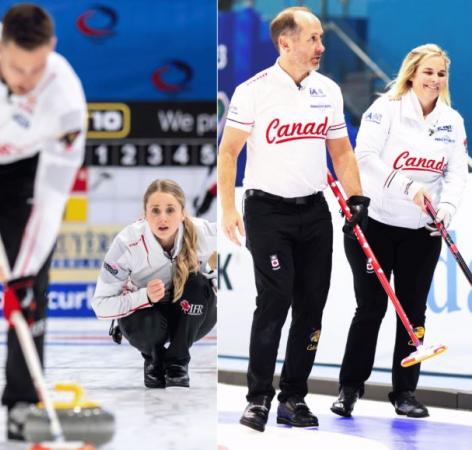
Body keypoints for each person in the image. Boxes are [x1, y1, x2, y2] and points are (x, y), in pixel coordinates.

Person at [217, 6, 367, 432]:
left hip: (314, 211)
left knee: (312, 307)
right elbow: (229, 152)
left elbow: (341, 151)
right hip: (267, 211)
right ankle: (258, 398)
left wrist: (357, 199)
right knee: (274, 301)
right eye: (313, 38)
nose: (321, 46)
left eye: (321, 38)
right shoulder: (254, 90)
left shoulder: (328, 91)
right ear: (285, 42)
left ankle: (293, 398)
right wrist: (229, 206)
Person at [329, 43, 468, 419]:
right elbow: (365, 159)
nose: (435, 80)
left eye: (441, 74)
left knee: (413, 313)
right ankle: (349, 389)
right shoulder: (385, 109)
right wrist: (410, 187)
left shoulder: (452, 121)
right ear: (412, 74)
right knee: (371, 308)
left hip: (421, 232)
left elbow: (456, 173)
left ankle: (405, 392)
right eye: (428, 72)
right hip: (374, 225)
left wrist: (448, 209)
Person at [0, 4, 86, 441]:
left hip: (23, 173)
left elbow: (52, 199)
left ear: (51, 48)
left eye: (36, 69)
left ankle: (20, 401)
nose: (25, 81)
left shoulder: (66, 100)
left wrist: (21, 274)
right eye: (16, 67)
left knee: (28, 291)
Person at [91, 179, 217, 390]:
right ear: (144, 214)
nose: (163, 218)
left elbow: (242, 239)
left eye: (170, 210)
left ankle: (177, 363)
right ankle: (154, 359)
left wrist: (214, 276)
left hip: (192, 317)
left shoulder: (204, 232)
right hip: (144, 320)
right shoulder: (126, 243)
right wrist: (144, 297)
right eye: (155, 211)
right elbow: (100, 305)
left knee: (197, 282)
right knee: (149, 321)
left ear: (183, 213)